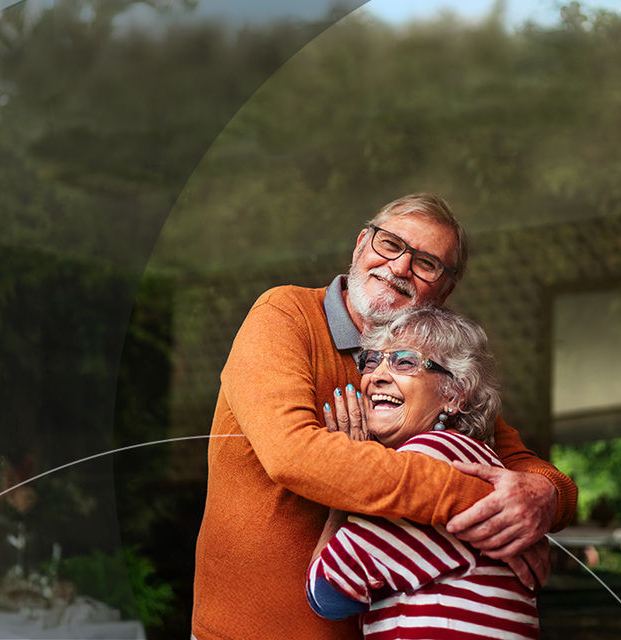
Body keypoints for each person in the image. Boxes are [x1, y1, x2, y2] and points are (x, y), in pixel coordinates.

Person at [191, 193, 577, 640]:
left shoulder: (438, 370)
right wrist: (481, 506)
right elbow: (293, 455)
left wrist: (544, 498)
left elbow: (517, 460)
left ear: (445, 291)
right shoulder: (285, 314)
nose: (398, 268)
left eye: (426, 262)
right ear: (361, 246)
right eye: (390, 244)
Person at [308, 306, 539, 639]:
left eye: (404, 361)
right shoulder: (470, 457)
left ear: (454, 395)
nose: (377, 375)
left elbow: (328, 592)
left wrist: (347, 475)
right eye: (372, 360)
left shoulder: (432, 458)